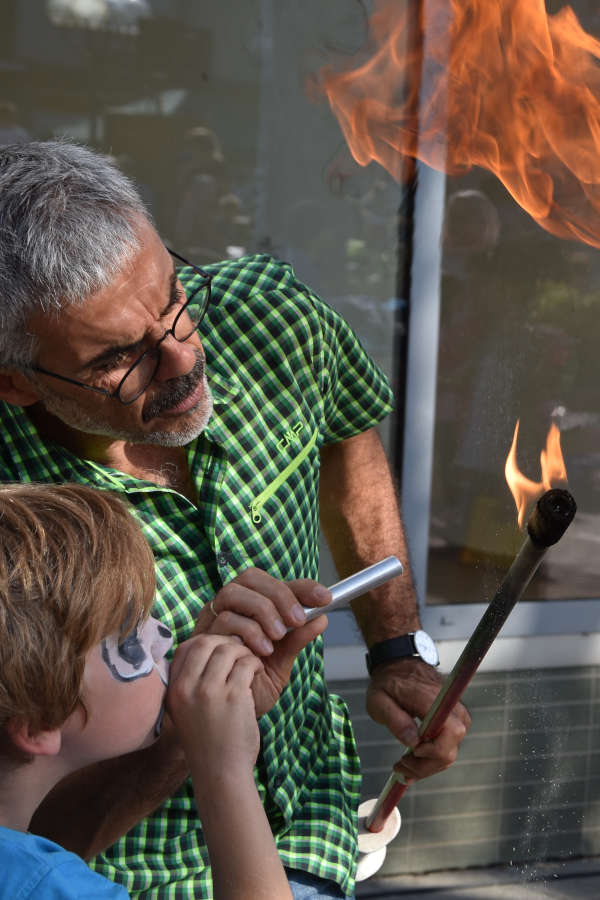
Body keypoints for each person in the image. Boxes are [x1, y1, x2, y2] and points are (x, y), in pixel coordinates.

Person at [0, 140, 470, 899]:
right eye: (120, 358)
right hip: (134, 878)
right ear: (15, 382)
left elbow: (346, 435)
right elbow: (24, 841)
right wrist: (190, 732)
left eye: (173, 299)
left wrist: (399, 648)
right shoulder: (12, 520)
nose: (184, 358)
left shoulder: (269, 315)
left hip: (315, 826)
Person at [0, 482, 295, 900]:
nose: (164, 635)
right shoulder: (49, 887)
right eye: (129, 642)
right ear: (36, 723)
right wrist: (223, 769)